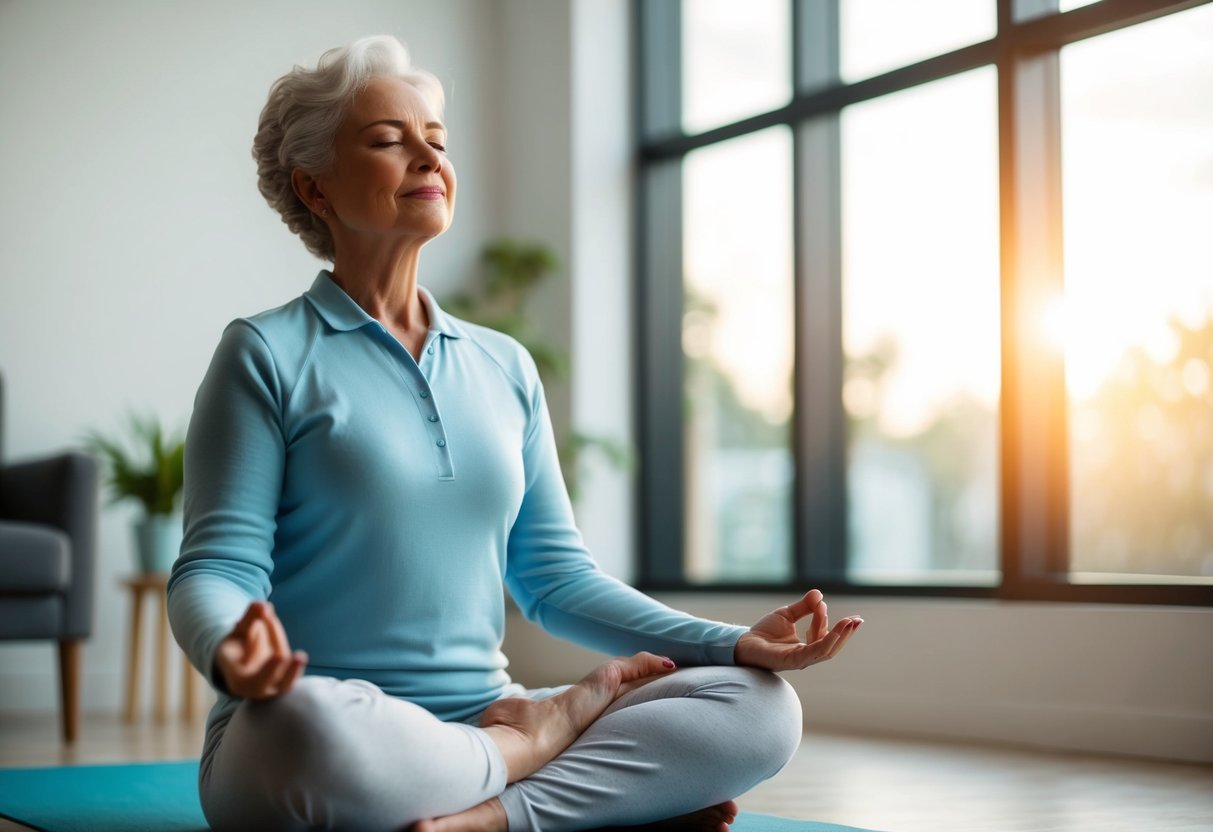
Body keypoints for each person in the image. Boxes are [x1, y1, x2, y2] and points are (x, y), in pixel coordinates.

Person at [167, 35, 863, 832]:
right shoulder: (266, 352)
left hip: (482, 710)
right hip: (328, 724)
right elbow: (215, 568)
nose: (428, 157)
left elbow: (556, 580)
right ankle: (541, 761)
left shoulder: (503, 364)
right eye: (390, 141)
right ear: (313, 187)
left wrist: (734, 643)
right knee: (309, 734)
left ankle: (493, 817)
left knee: (759, 709)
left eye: (436, 140)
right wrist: (231, 652)